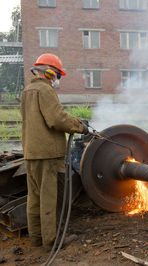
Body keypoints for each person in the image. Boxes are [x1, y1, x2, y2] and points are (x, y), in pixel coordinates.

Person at [20, 53, 89, 249]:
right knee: (49, 198)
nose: (57, 79)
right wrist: (80, 126)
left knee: (34, 197)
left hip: (31, 153)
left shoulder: (27, 91)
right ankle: (51, 241)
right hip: (48, 154)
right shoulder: (45, 90)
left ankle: (37, 238)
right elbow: (56, 119)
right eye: (57, 75)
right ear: (50, 72)